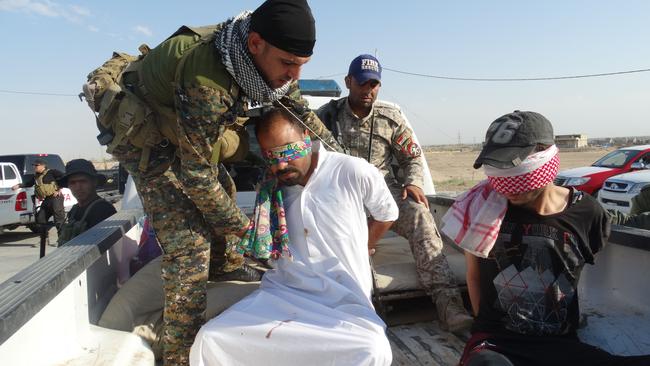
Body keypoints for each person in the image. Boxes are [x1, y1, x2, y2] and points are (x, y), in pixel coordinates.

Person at [83, 1, 341, 364]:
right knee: (189, 246)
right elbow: (196, 176)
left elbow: (301, 112)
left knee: (226, 190)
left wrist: (342, 158)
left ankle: (224, 267)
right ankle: (180, 355)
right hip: (145, 137)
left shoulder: (269, 65)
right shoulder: (209, 83)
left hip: (179, 125)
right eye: (288, 64)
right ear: (255, 44)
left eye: (301, 66)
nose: (293, 76)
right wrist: (248, 232)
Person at [190, 107, 398, 366]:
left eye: (287, 151)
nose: (280, 164)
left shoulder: (352, 171)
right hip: (283, 295)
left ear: (307, 137)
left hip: (343, 299)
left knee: (373, 349)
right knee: (209, 339)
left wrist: (363, 246)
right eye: (270, 156)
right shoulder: (272, 188)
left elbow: (387, 212)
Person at [441, 110, 650, 366]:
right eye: (497, 173)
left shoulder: (587, 213)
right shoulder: (482, 207)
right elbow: (473, 275)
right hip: (497, 342)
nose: (507, 188)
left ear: (545, 161)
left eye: (517, 174)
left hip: (561, 343)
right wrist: (483, 332)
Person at [316, 54, 472, 332]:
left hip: (384, 194)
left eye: (374, 84)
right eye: (363, 84)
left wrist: (413, 182)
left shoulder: (391, 118)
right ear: (349, 82)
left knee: (421, 217)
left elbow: (412, 157)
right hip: (341, 198)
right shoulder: (326, 117)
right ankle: (332, 312)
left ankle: (448, 304)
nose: (369, 90)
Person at [56, 159, 117, 246]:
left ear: (94, 182)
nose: (78, 187)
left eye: (83, 181)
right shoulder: (74, 210)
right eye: (73, 183)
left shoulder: (103, 210)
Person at [12, 158, 65, 235]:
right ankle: (44, 237)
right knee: (40, 218)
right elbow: (29, 183)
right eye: (34, 165)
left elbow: (64, 177)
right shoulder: (36, 176)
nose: (34, 167)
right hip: (47, 199)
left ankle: (62, 238)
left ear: (43, 166)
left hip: (56, 198)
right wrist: (19, 185)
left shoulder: (52, 172)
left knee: (58, 220)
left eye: (36, 165)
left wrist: (59, 189)